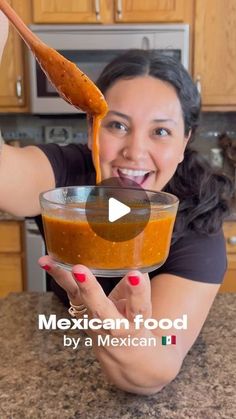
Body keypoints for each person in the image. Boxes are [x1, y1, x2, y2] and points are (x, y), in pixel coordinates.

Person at [0, 13, 232, 395]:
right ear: (94, 128)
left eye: (161, 131)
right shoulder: (68, 177)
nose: (134, 152)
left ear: (185, 139)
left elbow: (153, 365)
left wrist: (120, 335)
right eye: (117, 125)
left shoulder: (196, 225)